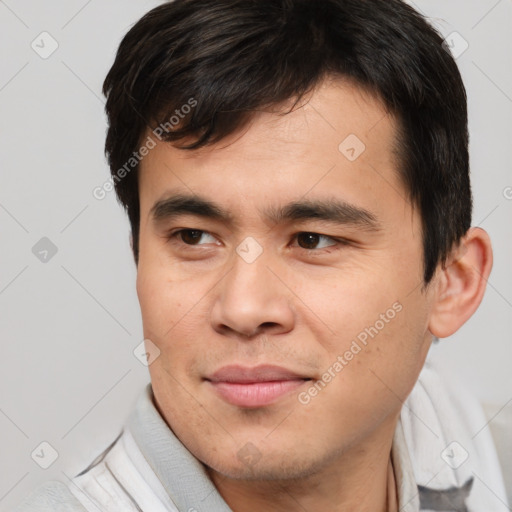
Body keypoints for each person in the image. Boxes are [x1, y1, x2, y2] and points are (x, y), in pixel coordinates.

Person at [13, 0, 509, 510]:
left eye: (312, 240)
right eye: (193, 237)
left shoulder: (484, 453)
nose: (244, 309)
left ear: (454, 281)